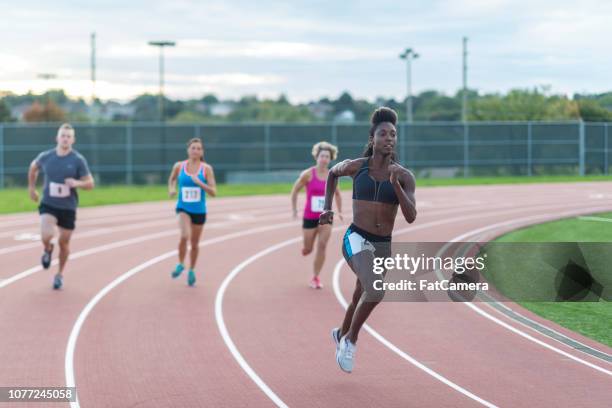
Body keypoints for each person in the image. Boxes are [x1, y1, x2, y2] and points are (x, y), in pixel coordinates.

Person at [319, 107, 417, 373]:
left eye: (393, 134)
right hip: (356, 237)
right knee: (376, 289)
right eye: (383, 133)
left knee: (360, 293)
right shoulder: (356, 167)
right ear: (372, 138)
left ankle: (340, 333)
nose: (389, 138)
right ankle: (351, 340)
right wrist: (327, 207)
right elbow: (331, 174)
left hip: (383, 244)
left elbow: (411, 216)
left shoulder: (405, 176)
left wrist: (396, 187)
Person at [28, 123, 95, 290]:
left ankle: (59, 275)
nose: (65, 139)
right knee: (46, 234)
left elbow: (90, 184)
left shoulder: (78, 160)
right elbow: (33, 167)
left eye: (68, 136)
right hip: (49, 203)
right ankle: (48, 248)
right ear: (57, 138)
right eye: (63, 135)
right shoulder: (46, 156)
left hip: (68, 207)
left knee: (64, 242)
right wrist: (31, 188)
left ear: (73, 140)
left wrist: (77, 183)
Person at [291, 141, 342, 289]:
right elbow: (295, 191)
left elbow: (337, 194)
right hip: (309, 216)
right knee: (308, 248)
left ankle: (316, 277)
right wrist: (294, 209)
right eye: (322, 156)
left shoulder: (332, 176)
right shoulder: (307, 174)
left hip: (326, 217)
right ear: (317, 157)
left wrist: (339, 210)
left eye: (327, 156)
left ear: (330, 158)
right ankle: (306, 248)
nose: (324, 159)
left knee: (322, 245)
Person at [168, 138, 217, 287]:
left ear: (202, 152)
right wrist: (172, 189)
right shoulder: (179, 166)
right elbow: (172, 179)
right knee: (184, 236)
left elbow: (214, 192)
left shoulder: (206, 169)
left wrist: (200, 183)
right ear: (188, 150)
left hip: (199, 211)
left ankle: (191, 270)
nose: (195, 151)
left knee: (194, 244)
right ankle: (181, 264)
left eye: (198, 148)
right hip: (183, 208)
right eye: (193, 148)